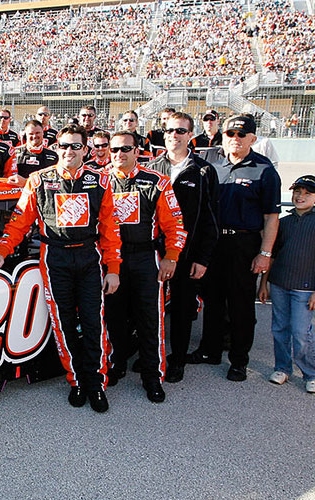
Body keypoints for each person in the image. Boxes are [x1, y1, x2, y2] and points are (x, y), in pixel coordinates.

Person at [0, 124, 122, 413]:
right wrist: (2, 252)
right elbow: (19, 221)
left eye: (75, 146)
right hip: (54, 258)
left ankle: (96, 383)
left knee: (93, 322)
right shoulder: (38, 180)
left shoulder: (101, 181)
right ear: (57, 148)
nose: (69, 151)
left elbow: (110, 228)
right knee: (63, 323)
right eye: (64, 145)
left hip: (89, 257)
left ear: (85, 150)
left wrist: (114, 268)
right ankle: (76, 381)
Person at [190, 114, 281, 381]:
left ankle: (239, 360)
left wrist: (265, 254)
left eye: (242, 135)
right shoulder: (212, 166)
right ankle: (210, 350)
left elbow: (271, 217)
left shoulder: (264, 170)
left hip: (244, 244)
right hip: (214, 243)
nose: (235, 139)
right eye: (230, 134)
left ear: (253, 138)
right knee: (213, 300)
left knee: (241, 305)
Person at [104, 131, 187, 403]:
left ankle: (153, 376)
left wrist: (171, 256)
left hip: (145, 257)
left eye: (125, 149)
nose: (119, 154)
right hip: (111, 258)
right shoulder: (100, 180)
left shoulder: (157, 181)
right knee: (113, 316)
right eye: (114, 149)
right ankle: (116, 363)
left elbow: (175, 224)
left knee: (150, 319)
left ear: (137, 151)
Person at [147, 112, 220, 383]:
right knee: (149, 307)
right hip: (153, 252)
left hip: (187, 254)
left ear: (190, 135)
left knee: (181, 308)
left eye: (180, 131)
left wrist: (203, 258)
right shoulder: (152, 168)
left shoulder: (204, 171)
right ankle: (150, 355)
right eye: (169, 131)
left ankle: (177, 360)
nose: (173, 136)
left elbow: (212, 219)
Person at [258, 175, 315, 394]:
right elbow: (271, 256)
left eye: (307, 193)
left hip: (305, 288)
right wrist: (264, 284)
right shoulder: (284, 223)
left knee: (301, 333)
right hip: (280, 284)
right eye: (297, 192)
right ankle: (282, 368)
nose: (300, 197)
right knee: (279, 329)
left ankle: (310, 373)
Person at [8, 120, 58, 187]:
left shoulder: (53, 155)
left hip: (42, 191)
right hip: (19, 191)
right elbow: (8, 176)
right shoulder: (14, 153)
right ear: (26, 134)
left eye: (37, 133)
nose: (34, 136)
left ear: (43, 133)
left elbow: (55, 181)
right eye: (31, 134)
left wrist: (26, 182)